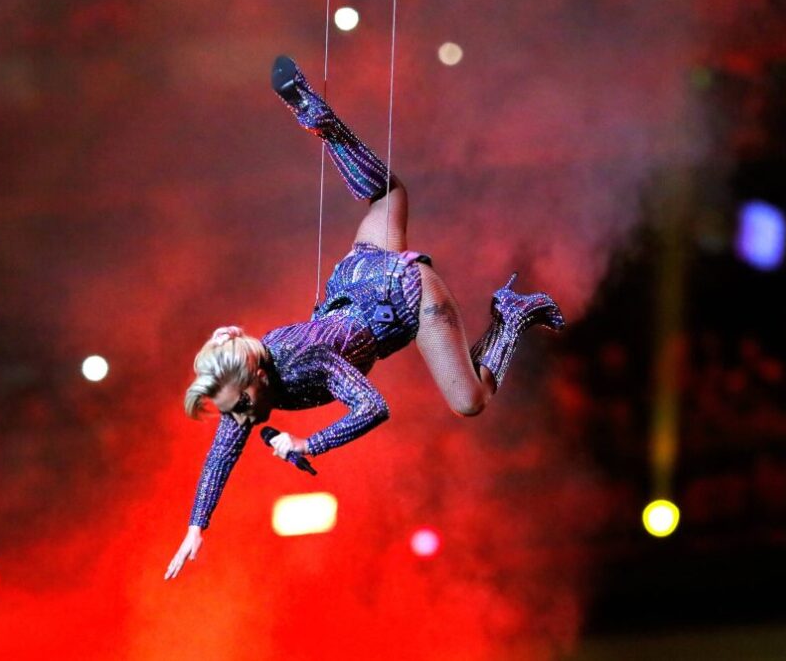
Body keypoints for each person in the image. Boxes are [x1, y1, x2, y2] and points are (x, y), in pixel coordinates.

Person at [165, 56, 564, 579]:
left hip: (403, 294)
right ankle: (317, 115)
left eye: (238, 408)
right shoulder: (250, 389)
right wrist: (197, 526)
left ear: (258, 379)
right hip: (355, 276)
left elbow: (374, 408)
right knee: (388, 193)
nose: (238, 421)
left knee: (470, 399)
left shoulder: (303, 363)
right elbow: (223, 452)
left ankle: (510, 315)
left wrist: (311, 442)